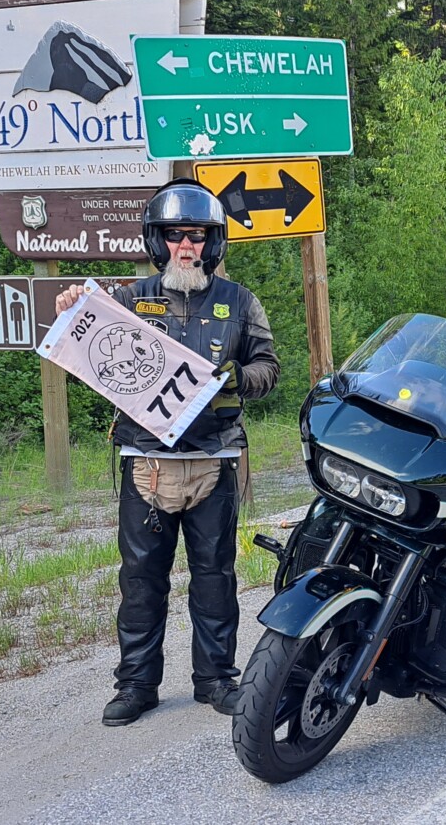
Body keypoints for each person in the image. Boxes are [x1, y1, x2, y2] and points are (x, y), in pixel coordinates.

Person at [52, 180, 280, 727]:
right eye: (176, 236)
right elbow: (89, 346)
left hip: (214, 459)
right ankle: (136, 685)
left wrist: (238, 378)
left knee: (215, 577)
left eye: (196, 236)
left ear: (212, 242)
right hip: (147, 462)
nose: (186, 246)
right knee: (140, 581)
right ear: (158, 241)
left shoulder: (240, 302)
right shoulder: (130, 300)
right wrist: (71, 308)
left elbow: (269, 369)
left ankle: (216, 678)